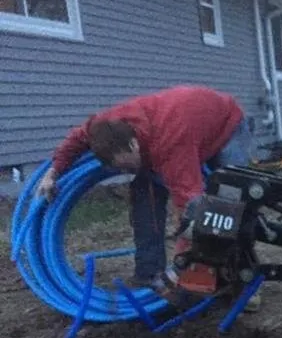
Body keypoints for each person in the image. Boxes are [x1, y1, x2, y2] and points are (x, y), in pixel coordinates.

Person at [37, 85, 260, 311]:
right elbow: (77, 137)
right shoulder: (107, 127)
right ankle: (148, 274)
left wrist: (181, 269)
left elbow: (191, 210)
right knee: (144, 190)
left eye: (125, 165)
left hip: (225, 126)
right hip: (181, 124)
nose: (125, 171)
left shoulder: (171, 146)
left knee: (228, 208)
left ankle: (241, 284)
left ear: (133, 145)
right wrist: (52, 173)